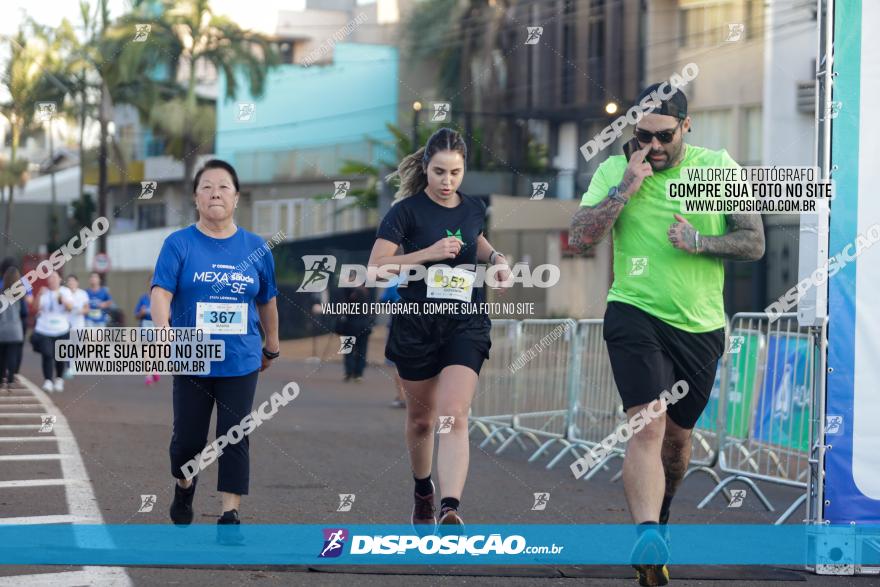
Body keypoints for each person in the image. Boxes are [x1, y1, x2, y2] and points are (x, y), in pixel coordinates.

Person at [569, 84, 765, 587]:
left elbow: (753, 241)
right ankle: (646, 536)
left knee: (676, 444)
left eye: (663, 136)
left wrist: (699, 241)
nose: (652, 147)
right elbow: (580, 238)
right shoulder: (618, 170)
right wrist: (625, 190)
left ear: (686, 125)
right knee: (647, 426)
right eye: (642, 136)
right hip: (634, 311)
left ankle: (664, 516)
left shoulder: (716, 168)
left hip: (699, 324)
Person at [369, 127, 511, 531]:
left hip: (466, 323)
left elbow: (476, 239)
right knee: (421, 421)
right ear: (426, 169)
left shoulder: (473, 207)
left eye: (455, 172)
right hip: (417, 325)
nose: (448, 182)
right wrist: (428, 254)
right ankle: (422, 490)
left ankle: (450, 507)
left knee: (453, 414)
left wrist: (497, 257)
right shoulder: (405, 212)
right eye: (439, 172)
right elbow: (376, 265)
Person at [151, 159, 280, 531]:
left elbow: (267, 300)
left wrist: (271, 344)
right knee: (187, 442)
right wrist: (163, 331)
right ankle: (184, 483)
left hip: (240, 358)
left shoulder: (256, 248)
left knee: (234, 434)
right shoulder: (178, 244)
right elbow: (161, 291)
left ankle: (230, 513)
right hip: (192, 355)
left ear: (237, 198)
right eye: (207, 187)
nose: (215, 193)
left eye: (223, 187)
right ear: (195, 198)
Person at [32, 271, 73, 392]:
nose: (53, 280)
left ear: (60, 279)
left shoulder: (65, 291)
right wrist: (39, 295)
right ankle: (48, 380)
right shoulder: (44, 292)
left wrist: (63, 300)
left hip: (61, 329)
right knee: (47, 355)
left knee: (60, 356)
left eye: (55, 277)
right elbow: (35, 308)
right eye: (51, 278)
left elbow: (70, 308)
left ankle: (59, 379)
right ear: (48, 280)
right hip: (45, 329)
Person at [335, 285, 373, 382]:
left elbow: (341, 306)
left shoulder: (347, 290)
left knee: (348, 349)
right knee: (362, 350)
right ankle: (358, 373)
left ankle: (349, 371)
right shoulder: (367, 291)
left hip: (350, 324)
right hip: (364, 324)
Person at [0, 266, 24, 392]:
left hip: (2, 330)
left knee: (2, 356)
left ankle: (0, 380)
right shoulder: (20, 294)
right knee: (12, 356)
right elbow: (24, 312)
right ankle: (10, 381)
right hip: (16, 330)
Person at [135, 274, 160, 386]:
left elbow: (170, 314)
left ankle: (154, 369)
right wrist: (142, 312)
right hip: (145, 327)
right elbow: (136, 314)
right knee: (146, 352)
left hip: (157, 327)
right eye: (151, 281)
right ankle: (148, 375)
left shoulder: (162, 297)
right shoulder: (143, 298)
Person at [64, 275, 90, 379]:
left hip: (79, 325)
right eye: (69, 281)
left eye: (73, 281)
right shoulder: (64, 293)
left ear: (77, 283)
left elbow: (87, 309)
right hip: (67, 324)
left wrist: (80, 311)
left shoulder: (83, 294)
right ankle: (69, 368)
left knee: (78, 347)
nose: (71, 283)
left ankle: (75, 366)